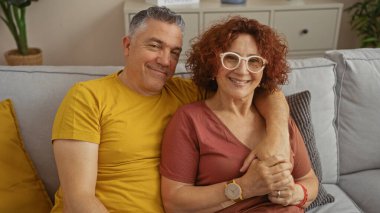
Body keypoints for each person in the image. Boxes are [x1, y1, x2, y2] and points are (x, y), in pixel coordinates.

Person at [51, 7, 290, 213]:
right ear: (127, 45)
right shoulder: (88, 97)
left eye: (174, 52)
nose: (165, 61)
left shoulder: (186, 93)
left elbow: (257, 89)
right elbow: (78, 201)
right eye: (155, 46)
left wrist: (278, 136)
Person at [160, 16, 319, 212]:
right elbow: (174, 203)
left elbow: (309, 180)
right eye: (231, 58)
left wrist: (295, 193)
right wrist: (243, 188)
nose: (242, 71)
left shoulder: (276, 119)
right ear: (212, 64)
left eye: (254, 61)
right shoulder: (190, 120)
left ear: (264, 70)